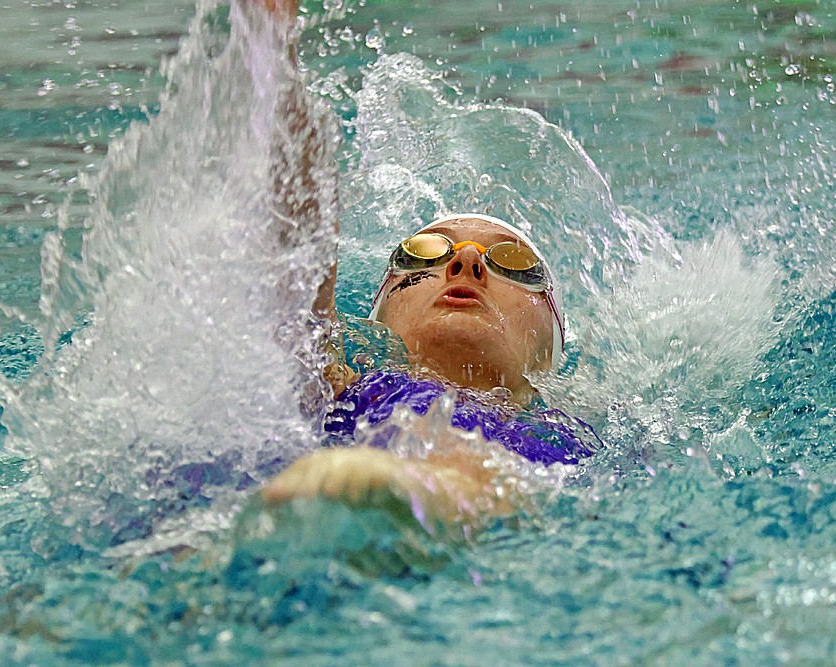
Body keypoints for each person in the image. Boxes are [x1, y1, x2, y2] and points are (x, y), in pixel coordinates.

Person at [248, 0, 599, 531]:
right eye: (427, 253)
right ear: (380, 319)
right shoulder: (342, 391)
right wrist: (275, 53)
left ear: (548, 349)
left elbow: (493, 488)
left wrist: (374, 482)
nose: (465, 260)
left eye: (513, 263)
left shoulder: (564, 441)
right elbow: (298, 268)